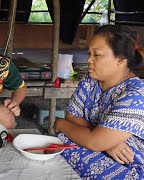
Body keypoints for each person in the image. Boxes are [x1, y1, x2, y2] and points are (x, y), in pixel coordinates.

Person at [54, 25, 144, 179]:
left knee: (62, 143)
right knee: (62, 142)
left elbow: (91, 139)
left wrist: (60, 124)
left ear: (121, 61)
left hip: (130, 165)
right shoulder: (90, 81)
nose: (89, 60)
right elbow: (72, 117)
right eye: (89, 54)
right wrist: (108, 143)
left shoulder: (137, 94)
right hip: (101, 147)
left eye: (97, 55)